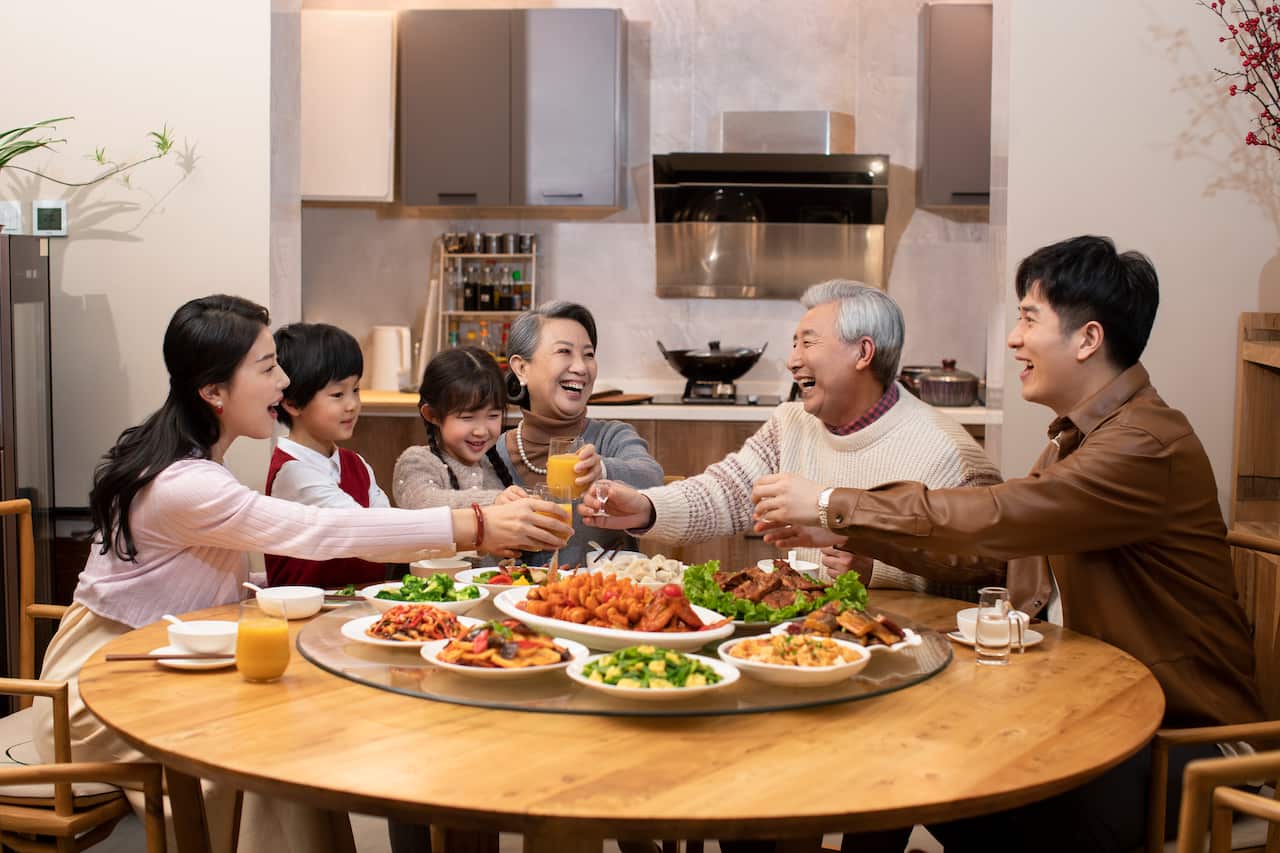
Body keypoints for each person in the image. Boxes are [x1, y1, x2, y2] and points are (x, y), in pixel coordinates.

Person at [750, 236, 1266, 852]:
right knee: (909, 749)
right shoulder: (1079, 440)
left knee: (936, 771)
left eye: (1028, 318)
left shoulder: (1143, 446)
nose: (1014, 339)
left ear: (1087, 339)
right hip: (1104, 710)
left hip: (1184, 741)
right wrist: (850, 533)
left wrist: (836, 503)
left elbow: (1000, 515)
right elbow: (995, 558)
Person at [30, 294, 573, 853]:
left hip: (165, 659)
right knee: (271, 755)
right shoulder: (185, 484)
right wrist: (477, 524)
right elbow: (321, 529)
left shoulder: (194, 463)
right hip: (99, 686)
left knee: (291, 732)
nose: (284, 382)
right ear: (214, 391)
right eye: (267, 368)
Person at [583, 280, 1003, 601]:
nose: (792, 360)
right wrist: (647, 507)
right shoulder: (791, 423)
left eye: (808, 342)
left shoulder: (950, 455)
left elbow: (987, 573)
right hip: (802, 640)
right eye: (793, 343)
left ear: (863, 353)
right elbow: (725, 494)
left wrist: (879, 569)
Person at [496, 301, 664, 566]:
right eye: (564, 351)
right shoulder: (493, 454)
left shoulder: (612, 437)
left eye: (588, 354)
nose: (581, 367)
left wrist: (603, 471)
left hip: (601, 601)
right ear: (521, 369)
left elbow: (653, 478)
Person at [264, 322, 388, 587]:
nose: (352, 405)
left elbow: (390, 524)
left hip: (358, 612)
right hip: (302, 617)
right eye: (337, 394)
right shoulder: (293, 474)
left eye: (355, 390)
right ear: (293, 402)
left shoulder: (356, 464)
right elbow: (374, 532)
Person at [392, 346, 522, 512]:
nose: (481, 431)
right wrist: (495, 500)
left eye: (493, 416)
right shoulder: (417, 461)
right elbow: (422, 501)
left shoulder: (494, 467)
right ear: (432, 415)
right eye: (467, 418)